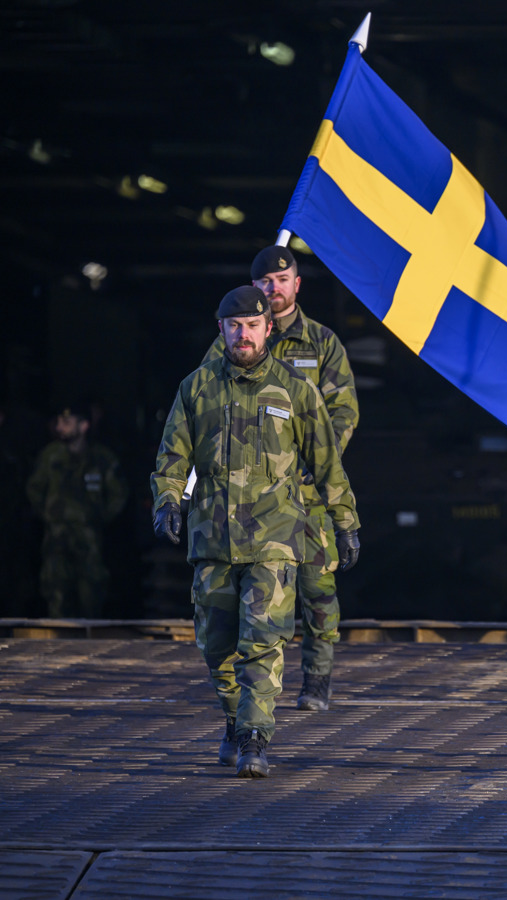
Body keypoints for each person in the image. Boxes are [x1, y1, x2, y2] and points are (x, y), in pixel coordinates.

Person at [151, 286, 360, 778]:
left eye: (252, 325)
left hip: (274, 539)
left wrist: (346, 522)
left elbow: (327, 463)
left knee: (264, 640)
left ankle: (254, 738)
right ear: (220, 329)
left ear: (269, 327)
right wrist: (167, 502)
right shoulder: (196, 389)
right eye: (234, 325)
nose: (243, 334)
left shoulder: (295, 390)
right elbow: (173, 456)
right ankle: (233, 717)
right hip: (212, 539)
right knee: (216, 646)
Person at [203, 245, 359, 711]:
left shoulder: (323, 343)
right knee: (249, 597)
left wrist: (315, 461)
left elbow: (343, 412)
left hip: (306, 492)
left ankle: (316, 678)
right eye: (265, 282)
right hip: (251, 495)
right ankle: (252, 692)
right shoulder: (235, 338)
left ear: (297, 284)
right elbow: (207, 401)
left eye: (282, 279)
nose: (274, 288)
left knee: (316, 587)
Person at [26, 401, 127, 617]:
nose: (60, 426)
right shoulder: (50, 456)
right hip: (56, 538)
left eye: (67, 422)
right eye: (60, 421)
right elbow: (34, 489)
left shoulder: (101, 458)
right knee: (56, 595)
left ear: (83, 426)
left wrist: (97, 517)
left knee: (91, 595)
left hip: (88, 539)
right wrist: (48, 514)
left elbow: (118, 494)